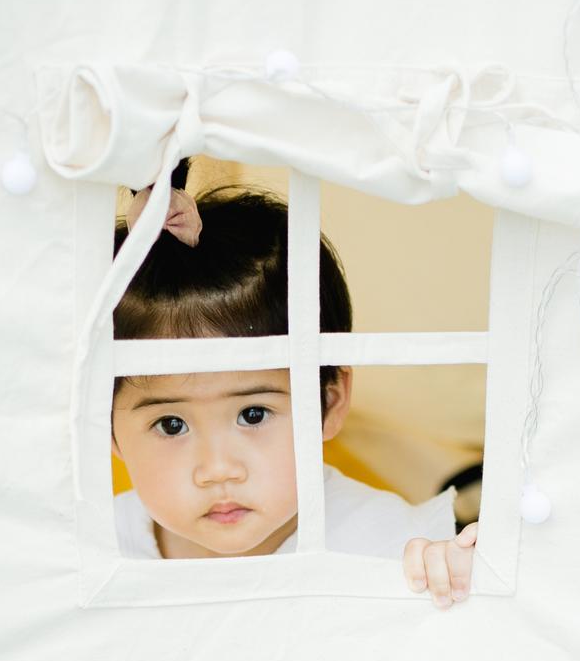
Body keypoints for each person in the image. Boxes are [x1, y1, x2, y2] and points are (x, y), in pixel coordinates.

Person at [110, 173, 479, 608]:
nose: (218, 469)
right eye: (171, 424)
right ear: (106, 426)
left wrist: (453, 580)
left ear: (330, 402)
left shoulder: (391, 547)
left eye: (253, 414)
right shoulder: (91, 548)